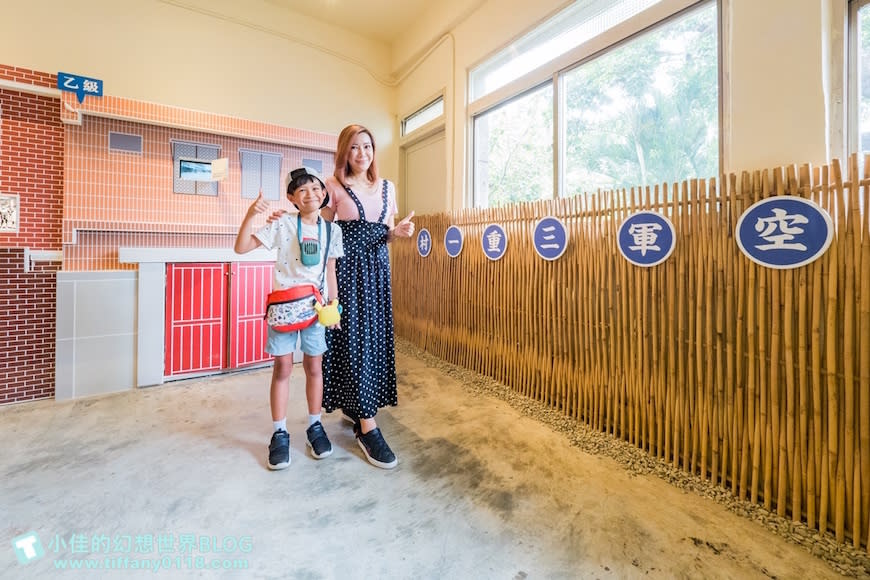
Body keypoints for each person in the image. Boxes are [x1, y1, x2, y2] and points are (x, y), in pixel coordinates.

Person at [234, 166, 344, 470]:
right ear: (292, 198)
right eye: (302, 190)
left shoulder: (332, 230)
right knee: (282, 367)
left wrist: (333, 306)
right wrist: (250, 215)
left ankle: (314, 426)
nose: (311, 193)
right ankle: (280, 433)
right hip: (284, 308)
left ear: (324, 193)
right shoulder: (282, 224)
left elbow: (331, 271)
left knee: (314, 367)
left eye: (316, 188)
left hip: (315, 310)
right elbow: (241, 247)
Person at [321, 124, 415, 469]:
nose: (362, 153)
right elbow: (325, 235)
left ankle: (360, 406)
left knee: (373, 341)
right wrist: (327, 288)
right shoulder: (332, 187)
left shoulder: (389, 187)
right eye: (354, 148)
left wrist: (396, 233)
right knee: (352, 342)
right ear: (344, 152)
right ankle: (366, 426)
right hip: (346, 274)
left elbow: (383, 234)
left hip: (377, 274)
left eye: (367, 147)